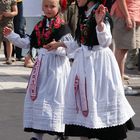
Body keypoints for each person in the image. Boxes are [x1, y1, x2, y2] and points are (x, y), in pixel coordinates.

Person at [44, 0, 135, 140]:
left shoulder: (100, 13)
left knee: (99, 98)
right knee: (83, 99)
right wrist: (59, 44)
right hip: (84, 64)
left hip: (99, 64)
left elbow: (106, 41)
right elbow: (79, 42)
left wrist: (99, 24)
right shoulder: (85, 13)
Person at [3, 0, 73, 140]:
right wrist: (12, 35)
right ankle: (37, 135)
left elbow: (70, 50)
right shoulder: (39, 26)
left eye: (52, 6)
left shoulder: (63, 27)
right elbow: (27, 43)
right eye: (46, 6)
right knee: (38, 99)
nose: (48, 9)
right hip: (41, 69)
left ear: (59, 7)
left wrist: (56, 47)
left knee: (56, 99)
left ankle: (60, 133)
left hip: (56, 69)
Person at [110, 0, 140, 92]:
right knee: (121, 51)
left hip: (133, 16)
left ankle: (119, 82)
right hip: (124, 17)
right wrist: (127, 17)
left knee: (123, 51)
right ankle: (119, 85)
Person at [0, 0, 18, 64]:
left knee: (9, 41)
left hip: (8, 24)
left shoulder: (12, 1)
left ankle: (9, 57)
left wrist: (10, 14)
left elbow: (15, 12)